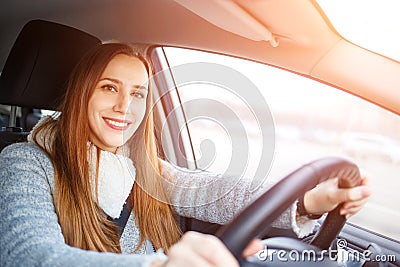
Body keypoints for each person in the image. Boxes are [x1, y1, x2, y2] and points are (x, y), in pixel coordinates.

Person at [0, 43, 371, 267]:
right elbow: (27, 254)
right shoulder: (25, 162)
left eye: (138, 94)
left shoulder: (143, 171)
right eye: (109, 87)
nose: (124, 107)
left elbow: (215, 191)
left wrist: (308, 201)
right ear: (83, 93)